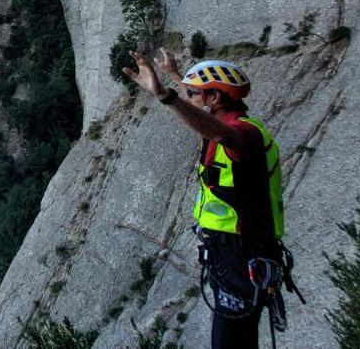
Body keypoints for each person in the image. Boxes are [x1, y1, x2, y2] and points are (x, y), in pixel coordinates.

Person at [122, 48, 299, 349]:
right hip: (230, 252)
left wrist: (166, 95)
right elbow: (204, 116)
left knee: (230, 343)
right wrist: (176, 76)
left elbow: (218, 132)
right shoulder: (227, 124)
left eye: (197, 94)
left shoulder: (243, 135)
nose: (191, 98)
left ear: (215, 99)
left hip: (242, 253)